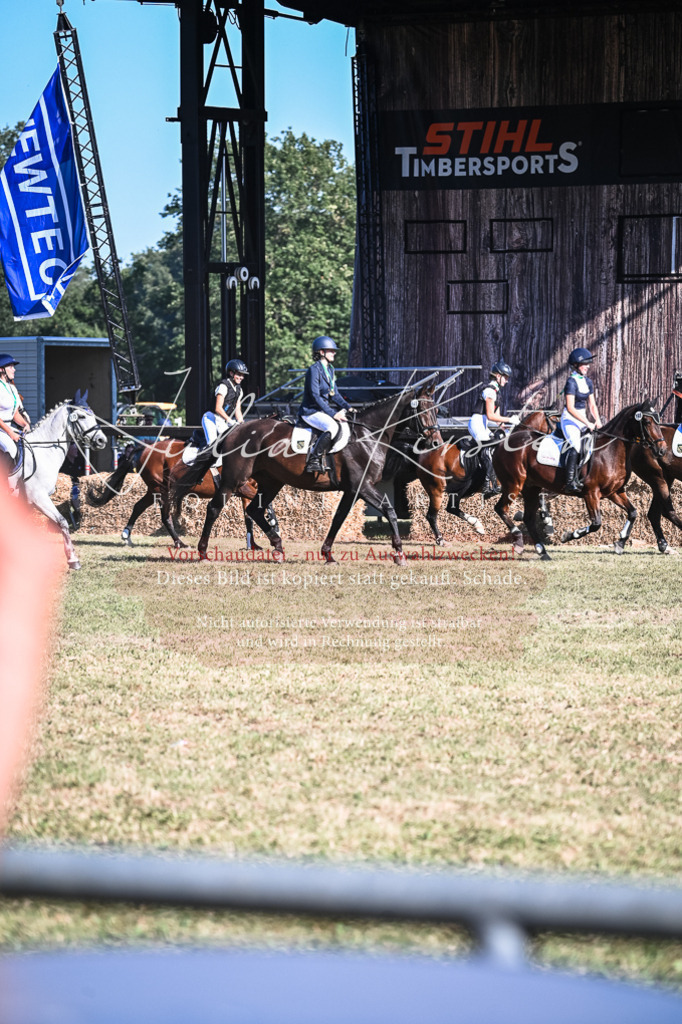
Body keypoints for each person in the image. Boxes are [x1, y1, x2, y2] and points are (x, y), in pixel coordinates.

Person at [298, 336, 353, 473]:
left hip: (321, 411)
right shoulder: (314, 370)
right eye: (331, 351)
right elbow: (315, 395)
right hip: (310, 411)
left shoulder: (330, 369)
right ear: (321, 352)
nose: (334, 353)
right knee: (332, 427)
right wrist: (333, 413)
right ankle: (314, 460)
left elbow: (334, 394)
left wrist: (348, 407)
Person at [467, 360, 519, 498]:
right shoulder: (490, 391)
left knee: (500, 445)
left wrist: (507, 427)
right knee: (487, 450)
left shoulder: (497, 392)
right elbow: (490, 415)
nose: (507, 381)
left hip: (484, 422)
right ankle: (487, 484)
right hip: (477, 422)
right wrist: (509, 419)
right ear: (498, 376)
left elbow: (496, 417)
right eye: (506, 377)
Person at [560, 347, 603, 495]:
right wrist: (587, 422)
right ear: (576, 365)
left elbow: (592, 405)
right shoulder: (571, 382)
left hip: (582, 418)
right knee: (576, 445)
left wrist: (597, 421)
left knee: (591, 445)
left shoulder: (588, 382)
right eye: (585, 364)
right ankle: (570, 481)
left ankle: (585, 476)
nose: (588, 366)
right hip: (570, 419)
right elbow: (571, 408)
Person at [201, 358, 248, 464]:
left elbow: (238, 409)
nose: (241, 377)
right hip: (211, 418)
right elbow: (218, 408)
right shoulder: (223, 386)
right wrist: (230, 421)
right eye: (239, 374)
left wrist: (241, 423)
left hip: (223, 419)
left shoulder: (239, 390)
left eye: (242, 375)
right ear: (231, 373)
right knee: (213, 445)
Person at [0, 353, 30, 479]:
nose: (14, 369)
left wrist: (25, 424)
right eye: (11, 366)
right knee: (10, 449)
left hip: (8, 426)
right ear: (2, 369)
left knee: (28, 445)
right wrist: (11, 433)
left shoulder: (12, 388)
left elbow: (15, 413)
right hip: (2, 428)